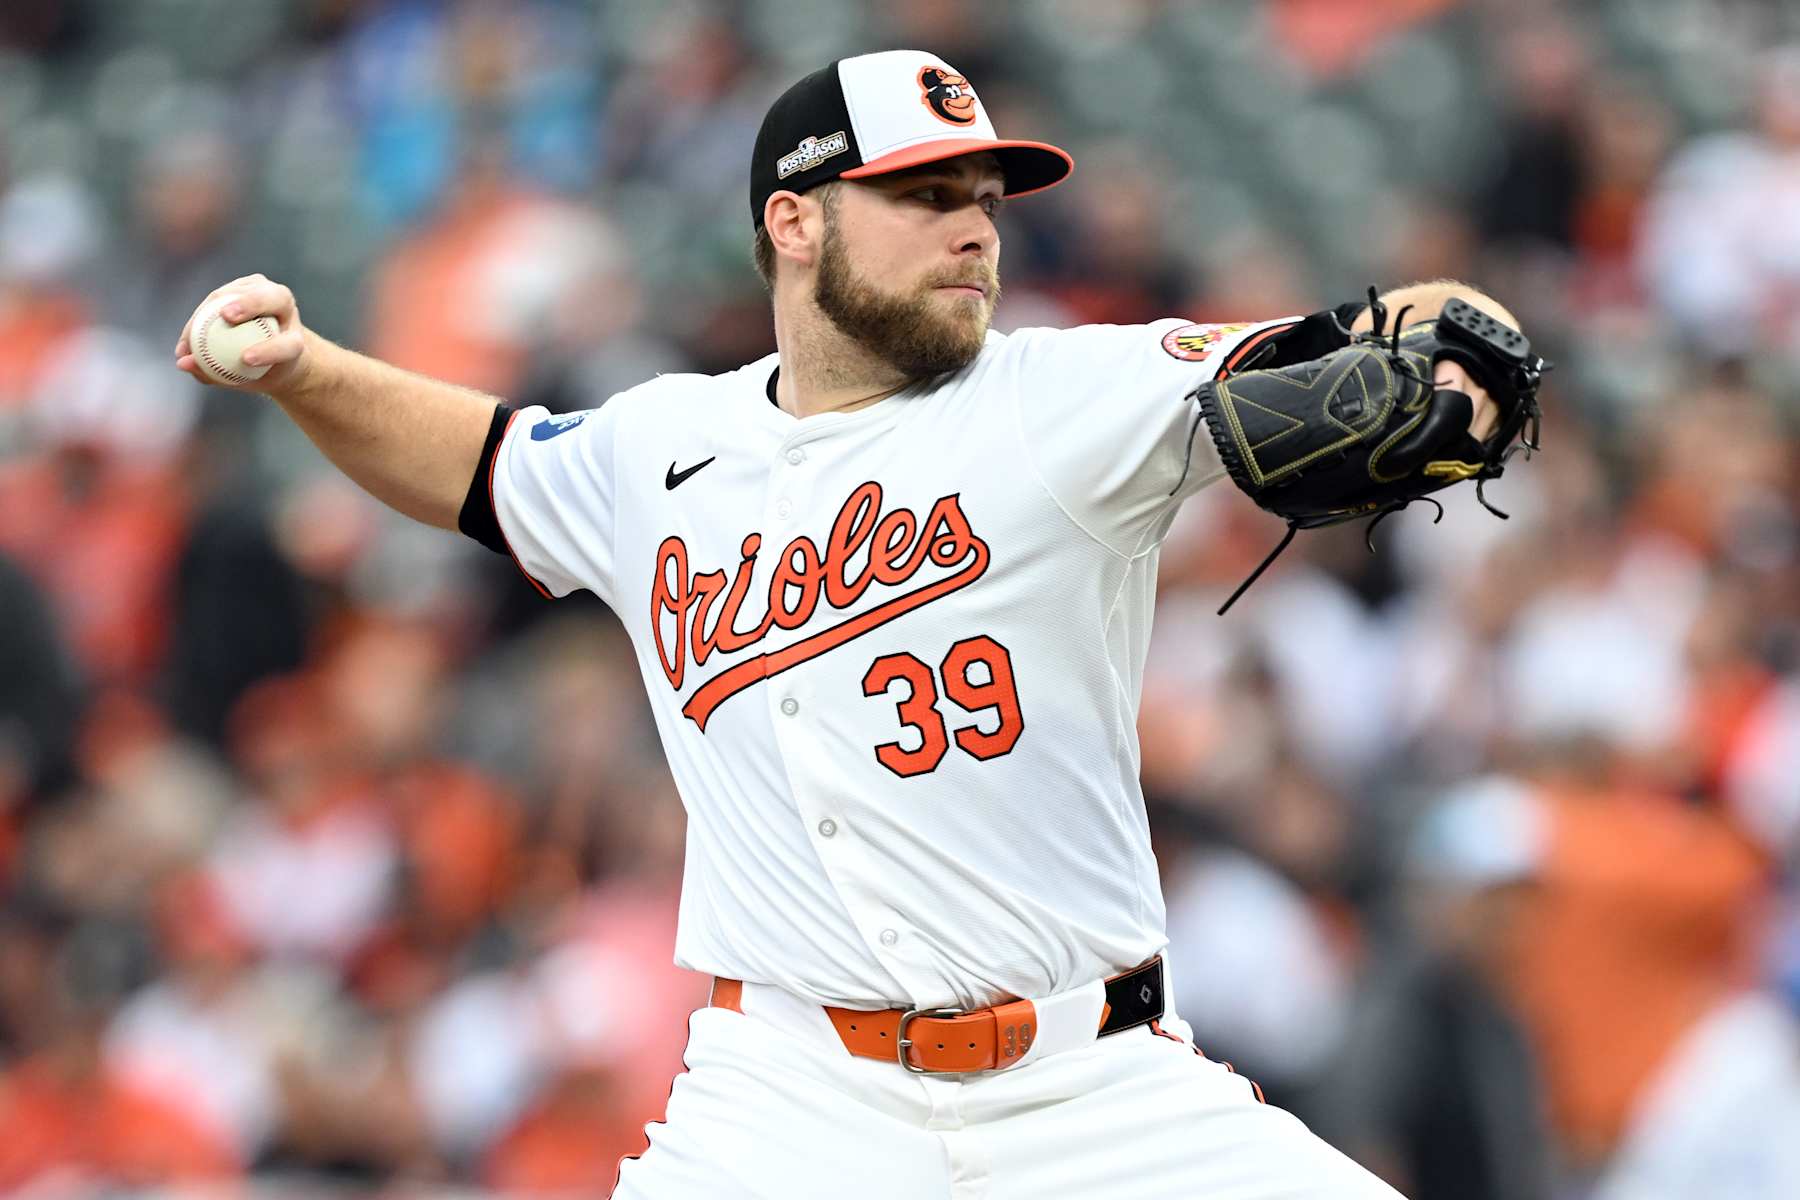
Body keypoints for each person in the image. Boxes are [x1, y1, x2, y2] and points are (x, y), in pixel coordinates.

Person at [175, 49, 1538, 1200]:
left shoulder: (1070, 394)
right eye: (925, 195)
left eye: (986, 199)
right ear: (794, 221)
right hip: (784, 1100)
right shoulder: (665, 445)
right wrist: (306, 370)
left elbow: (1386, 343)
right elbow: (484, 464)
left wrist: (1450, 357)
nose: (977, 229)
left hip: (1092, 1091)